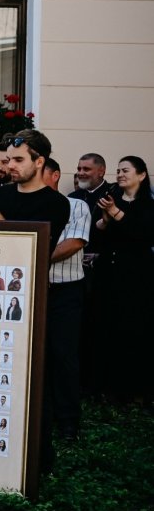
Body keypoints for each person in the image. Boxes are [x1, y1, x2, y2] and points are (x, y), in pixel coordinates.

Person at [89, 156, 153, 401]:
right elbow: (97, 232)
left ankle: (131, 388)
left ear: (141, 175)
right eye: (118, 170)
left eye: (125, 170)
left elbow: (143, 235)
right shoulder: (111, 200)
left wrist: (115, 213)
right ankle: (102, 384)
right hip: (108, 271)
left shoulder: (148, 205)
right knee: (104, 323)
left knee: (132, 327)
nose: (120, 174)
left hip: (136, 275)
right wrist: (105, 218)